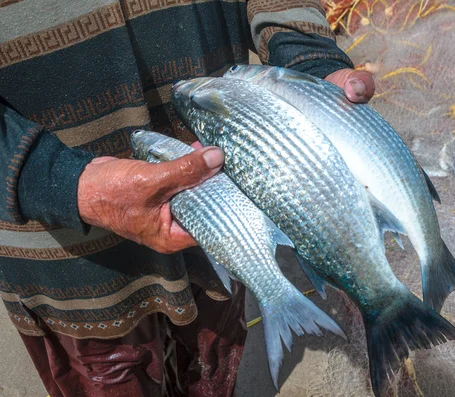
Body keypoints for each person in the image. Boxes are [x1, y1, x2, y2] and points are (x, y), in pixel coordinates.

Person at [0, 1, 374, 396]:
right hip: (69, 263)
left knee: (215, 368)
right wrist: (53, 179)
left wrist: (305, 61)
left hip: (228, 215)